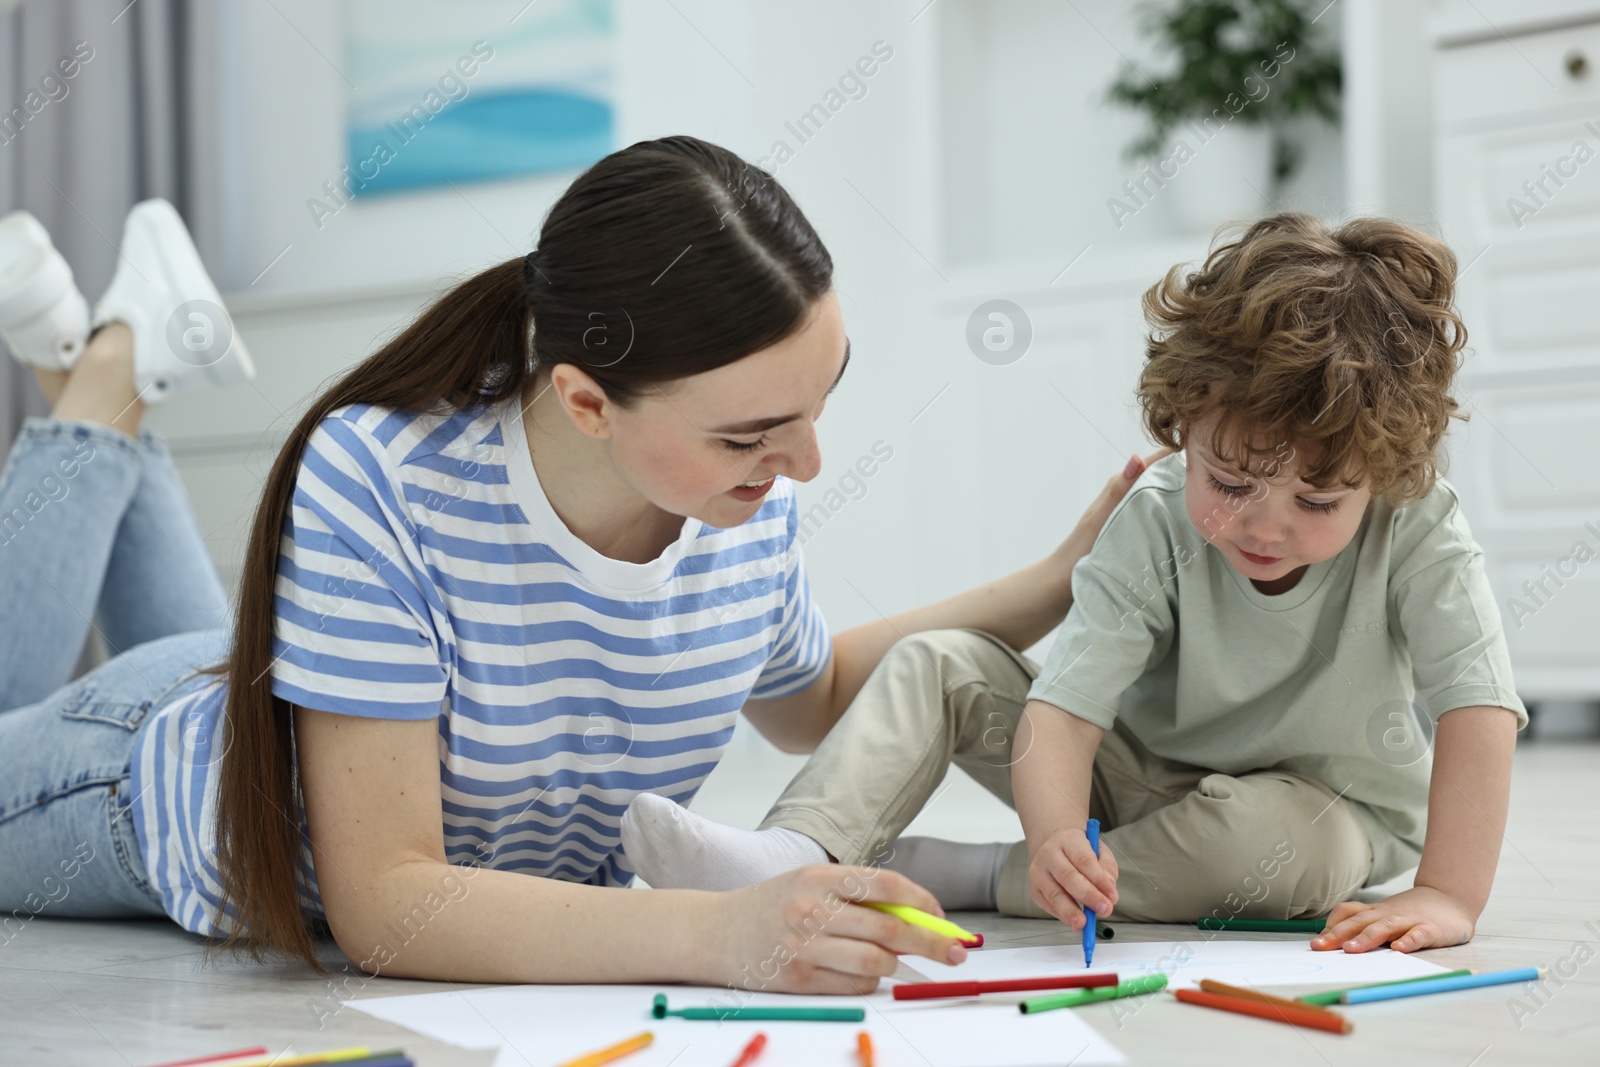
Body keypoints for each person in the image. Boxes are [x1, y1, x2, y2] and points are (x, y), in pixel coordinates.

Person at [0, 136, 1152, 991]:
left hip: (310, 686)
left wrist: (1064, 572)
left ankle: (103, 370)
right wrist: (724, 930)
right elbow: (386, 902)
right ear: (586, 401)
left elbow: (815, 704)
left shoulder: (735, 503)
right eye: (750, 434)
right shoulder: (384, 476)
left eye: (816, 403)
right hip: (158, 769)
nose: (804, 463)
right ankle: (107, 370)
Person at [626, 212, 1526, 957]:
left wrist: (1447, 891)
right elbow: (1067, 704)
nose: (1264, 524)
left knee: (1278, 843)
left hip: (1319, 814)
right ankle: (801, 852)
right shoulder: (1158, 511)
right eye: (1230, 480)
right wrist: (1060, 830)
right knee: (942, 660)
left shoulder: (1420, 524)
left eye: (1317, 499)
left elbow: (1476, 705)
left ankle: (974, 874)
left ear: (1387, 472)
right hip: (1131, 781)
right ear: (1185, 431)